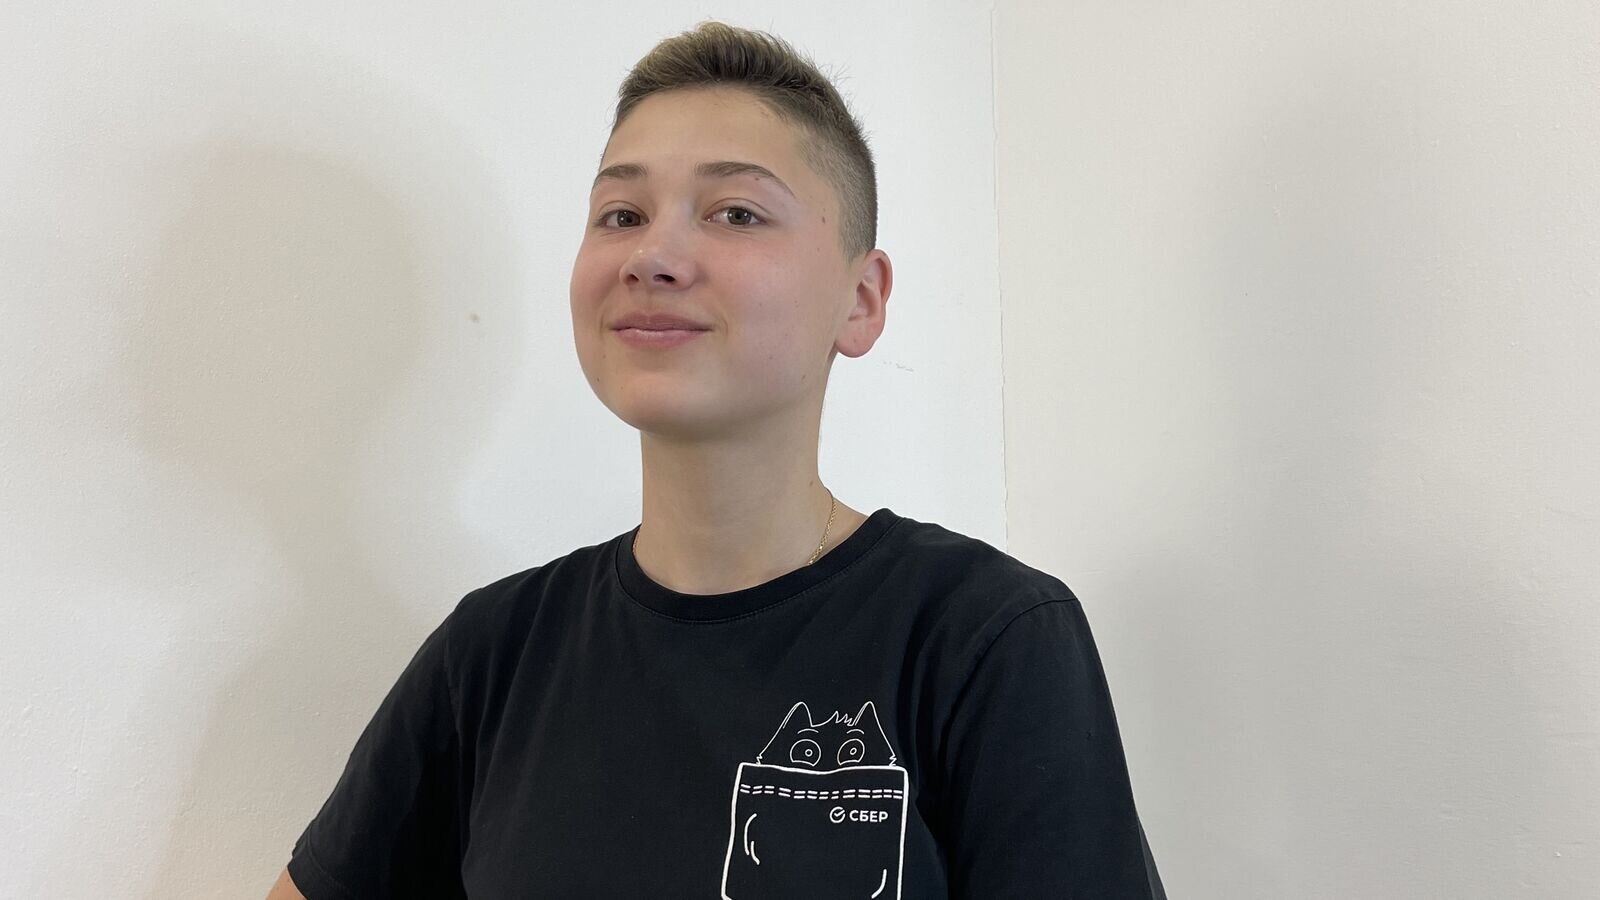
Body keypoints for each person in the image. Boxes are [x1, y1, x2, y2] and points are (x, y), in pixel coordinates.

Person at [267, 19, 1164, 899]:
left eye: (735, 212)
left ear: (860, 299)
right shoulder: (491, 655)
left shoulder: (984, 638)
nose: (652, 255)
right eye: (622, 214)